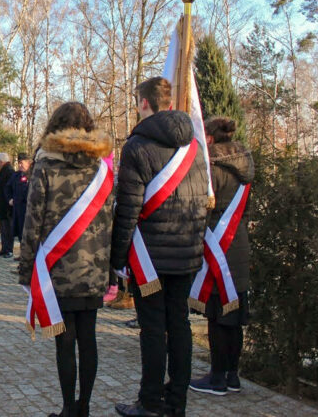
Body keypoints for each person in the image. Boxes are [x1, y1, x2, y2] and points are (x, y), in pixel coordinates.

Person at [111, 77, 209, 417]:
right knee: (179, 324)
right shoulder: (195, 146)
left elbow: (128, 209)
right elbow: (201, 201)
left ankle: (150, 401)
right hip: (186, 253)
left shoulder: (137, 146)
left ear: (144, 103)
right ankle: (176, 401)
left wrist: (118, 258)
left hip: (149, 259)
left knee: (153, 329)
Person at [17, 102, 114, 417]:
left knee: (65, 341)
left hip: (57, 270)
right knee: (89, 339)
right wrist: (111, 270)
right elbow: (112, 222)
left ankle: (68, 409)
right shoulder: (102, 168)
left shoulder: (45, 166)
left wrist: (26, 271)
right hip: (95, 267)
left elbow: (32, 222)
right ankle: (84, 407)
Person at [189, 117, 254, 396]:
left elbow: (202, 211)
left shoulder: (210, 168)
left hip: (216, 248)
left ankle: (216, 377)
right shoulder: (246, 167)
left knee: (217, 317)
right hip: (238, 245)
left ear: (210, 139)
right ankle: (232, 376)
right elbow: (246, 211)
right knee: (234, 316)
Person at [5, 152, 31, 260]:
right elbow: (7, 188)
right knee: (20, 232)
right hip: (17, 209)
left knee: (27, 233)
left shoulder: (32, 175)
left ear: (28, 163)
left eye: (22, 163)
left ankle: (28, 256)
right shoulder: (16, 175)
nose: (20, 165)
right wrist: (10, 199)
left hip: (28, 209)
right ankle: (22, 254)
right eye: (19, 163)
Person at [0, 152, 15, 258]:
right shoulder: (3, 170)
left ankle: (9, 250)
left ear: (1, 161)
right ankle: (4, 248)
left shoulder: (9, 171)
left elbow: (9, 188)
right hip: (1, 206)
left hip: (6, 206)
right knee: (3, 229)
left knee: (8, 229)